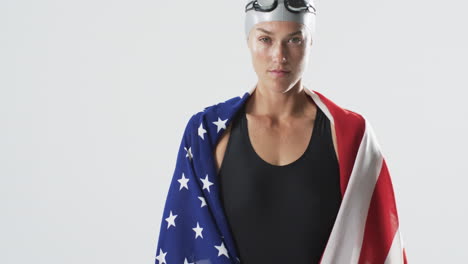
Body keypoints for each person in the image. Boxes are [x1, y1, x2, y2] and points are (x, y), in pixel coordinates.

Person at [155, 1, 407, 263]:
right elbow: (184, 245)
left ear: (311, 44)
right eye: (265, 39)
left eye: (294, 40)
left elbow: (376, 245)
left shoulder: (351, 135)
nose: (279, 55)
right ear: (248, 41)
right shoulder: (206, 133)